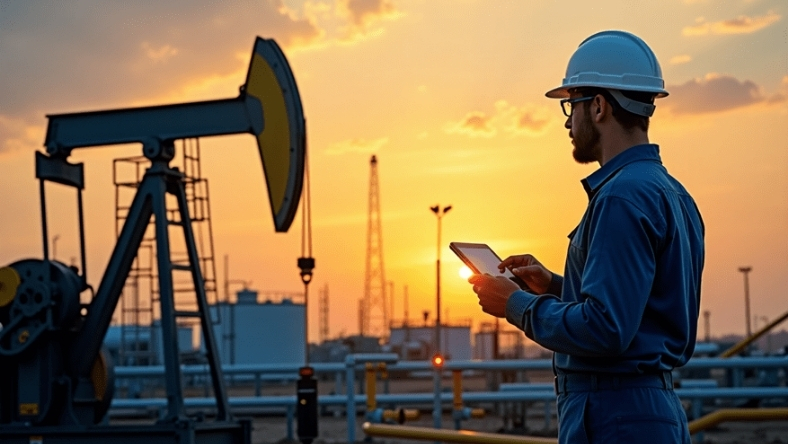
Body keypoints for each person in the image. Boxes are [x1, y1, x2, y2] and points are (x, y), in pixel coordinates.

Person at [468, 30, 705, 443]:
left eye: (571, 103)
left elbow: (607, 329)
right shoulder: (671, 193)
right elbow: (636, 311)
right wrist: (555, 288)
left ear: (598, 107)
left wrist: (517, 304)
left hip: (615, 415)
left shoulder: (620, 197)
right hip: (648, 410)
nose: (567, 120)